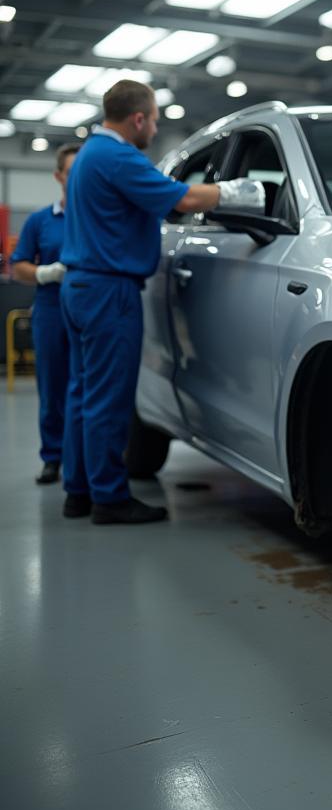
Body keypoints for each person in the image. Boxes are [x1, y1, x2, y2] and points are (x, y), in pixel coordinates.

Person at [60, 80, 264, 525]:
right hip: (108, 292)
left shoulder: (91, 155)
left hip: (81, 287)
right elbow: (187, 198)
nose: (154, 127)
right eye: (153, 119)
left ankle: (78, 492)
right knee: (107, 401)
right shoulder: (117, 157)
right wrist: (238, 193)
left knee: (83, 395)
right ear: (138, 118)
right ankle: (109, 500)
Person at [10, 143, 81, 485]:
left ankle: (85, 457)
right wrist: (47, 273)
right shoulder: (41, 220)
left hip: (90, 310)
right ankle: (53, 457)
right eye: (71, 172)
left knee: (89, 388)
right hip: (52, 309)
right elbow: (17, 266)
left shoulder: (99, 216)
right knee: (53, 388)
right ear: (58, 176)